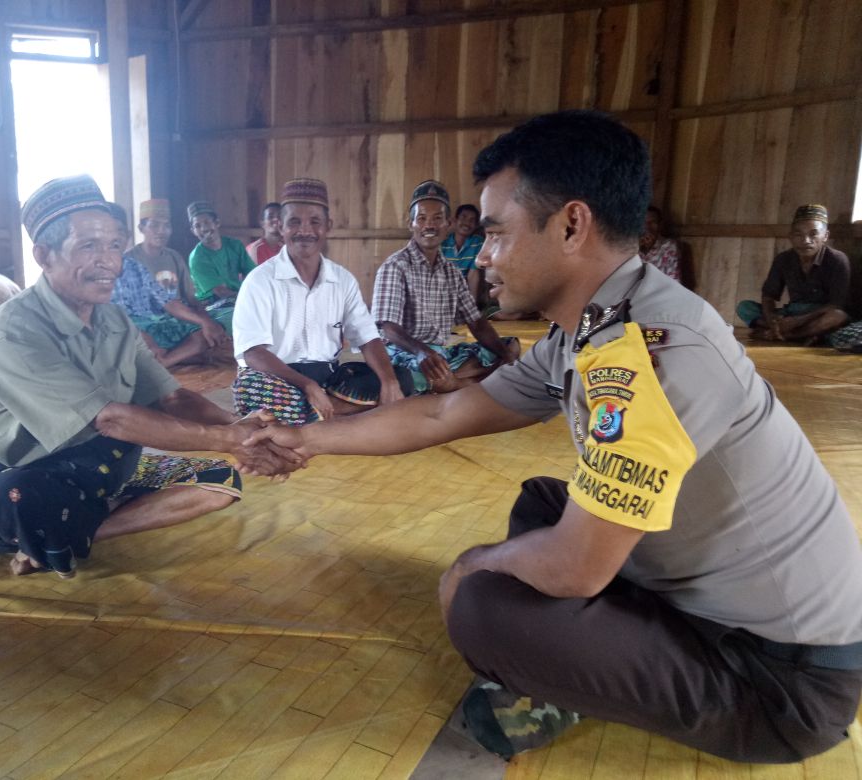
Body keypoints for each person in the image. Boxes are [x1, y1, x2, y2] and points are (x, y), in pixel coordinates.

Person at [246, 112, 862, 764]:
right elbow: (442, 415)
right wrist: (308, 440)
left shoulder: (647, 355)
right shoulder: (591, 326)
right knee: (545, 500)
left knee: (481, 605)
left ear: (571, 225)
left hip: (781, 680)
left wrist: (470, 567)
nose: (481, 256)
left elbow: (577, 567)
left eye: (495, 234)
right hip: (708, 601)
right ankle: (576, 659)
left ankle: (557, 680)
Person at [0, 176, 298, 578]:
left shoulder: (113, 319)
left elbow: (171, 397)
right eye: (88, 246)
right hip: (23, 474)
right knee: (20, 500)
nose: (109, 261)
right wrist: (233, 440)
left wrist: (240, 426)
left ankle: (79, 532)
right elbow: (109, 418)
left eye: (114, 246)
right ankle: (60, 526)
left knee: (219, 480)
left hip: (103, 471)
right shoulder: (14, 332)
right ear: (44, 254)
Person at [231, 177, 410, 425]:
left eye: (315, 222)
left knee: (401, 377)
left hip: (329, 377)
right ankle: (335, 411)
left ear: (328, 226)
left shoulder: (343, 280)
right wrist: (306, 385)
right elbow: (252, 353)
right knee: (249, 387)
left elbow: (368, 337)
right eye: (294, 222)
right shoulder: (259, 281)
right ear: (281, 227)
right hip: (277, 377)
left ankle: (301, 417)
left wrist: (389, 382)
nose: (305, 230)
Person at [372, 180, 519, 394]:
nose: (429, 226)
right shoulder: (395, 266)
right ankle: (469, 383)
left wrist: (506, 357)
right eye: (421, 219)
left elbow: (476, 323)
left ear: (448, 224)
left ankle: (455, 384)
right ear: (410, 224)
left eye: (437, 219)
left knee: (511, 346)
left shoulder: (451, 273)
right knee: (412, 376)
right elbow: (388, 329)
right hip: (403, 352)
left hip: (441, 355)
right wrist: (421, 351)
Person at [108, 202, 231, 367]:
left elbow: (170, 302)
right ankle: (180, 355)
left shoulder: (134, 266)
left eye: (166, 225)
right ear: (141, 228)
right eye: (155, 225)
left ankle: (166, 360)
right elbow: (112, 320)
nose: (161, 231)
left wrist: (205, 321)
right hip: (131, 331)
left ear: (128, 235)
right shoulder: (97, 271)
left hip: (165, 323)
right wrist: (142, 336)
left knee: (214, 327)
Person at [736, 204, 851, 344]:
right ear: (790, 236)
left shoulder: (837, 259)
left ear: (825, 236)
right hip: (790, 313)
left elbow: (836, 305)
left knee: (838, 316)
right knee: (744, 307)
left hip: (817, 314)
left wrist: (798, 321)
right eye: (798, 234)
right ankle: (785, 331)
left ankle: (789, 335)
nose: (806, 241)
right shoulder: (783, 259)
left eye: (813, 234)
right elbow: (768, 296)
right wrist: (772, 318)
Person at [187, 200, 255, 307]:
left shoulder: (235, 245)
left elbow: (252, 274)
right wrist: (248, 299)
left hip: (236, 297)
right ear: (193, 231)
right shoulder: (197, 258)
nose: (204, 229)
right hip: (210, 304)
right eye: (197, 226)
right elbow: (220, 291)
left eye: (207, 222)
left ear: (217, 223)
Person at [441, 203, 485, 299]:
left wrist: (472, 305)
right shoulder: (443, 243)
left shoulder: (477, 243)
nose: (467, 223)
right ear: (455, 220)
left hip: (465, 292)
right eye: (463, 217)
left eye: (472, 220)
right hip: (443, 291)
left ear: (476, 225)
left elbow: (473, 275)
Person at [639, 205, 681, 281]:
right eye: (643, 222)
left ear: (660, 225)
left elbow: (674, 279)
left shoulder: (668, 246)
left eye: (653, 222)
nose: (647, 227)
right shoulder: (630, 246)